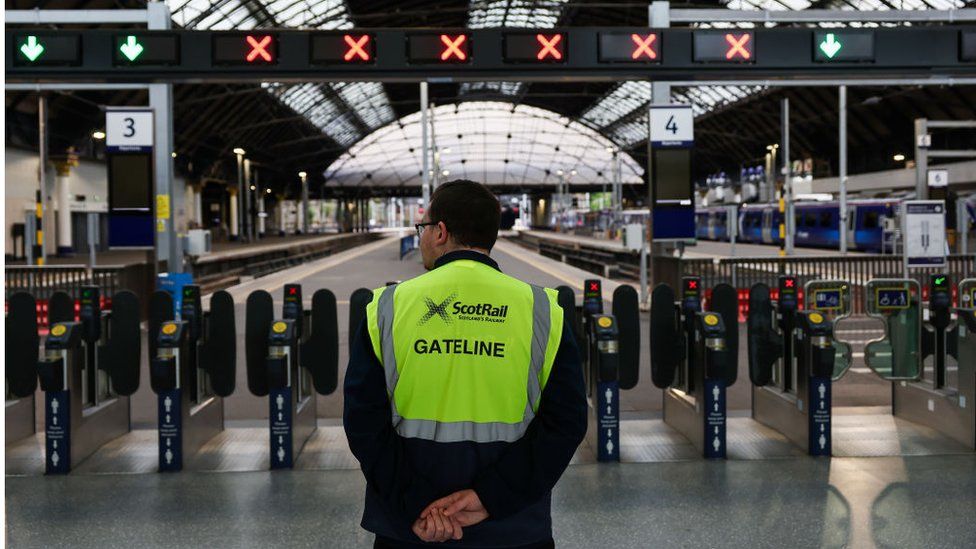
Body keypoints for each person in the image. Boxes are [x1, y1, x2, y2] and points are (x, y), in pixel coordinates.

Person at [344, 180, 587, 548]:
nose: (422, 236)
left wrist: (417, 505)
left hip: (409, 528)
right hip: (513, 527)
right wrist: (490, 498)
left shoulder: (387, 308)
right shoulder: (542, 311)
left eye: (423, 227)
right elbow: (566, 423)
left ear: (440, 232)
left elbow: (363, 422)